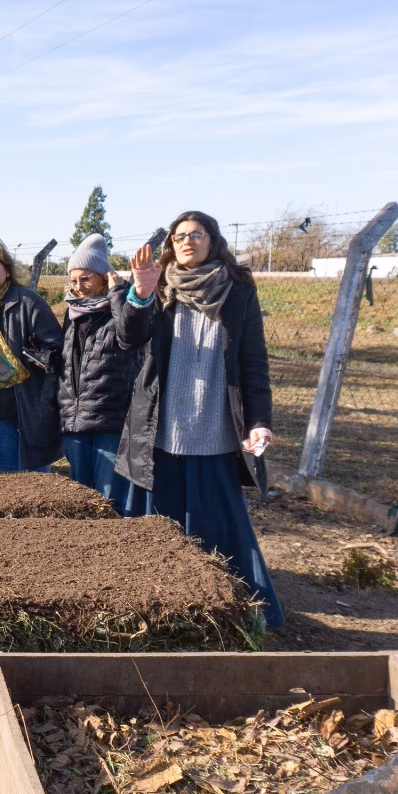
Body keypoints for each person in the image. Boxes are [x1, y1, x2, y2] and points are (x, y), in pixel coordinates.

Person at [115, 210, 285, 626]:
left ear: (213, 241)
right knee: (158, 531)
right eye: (179, 236)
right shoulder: (159, 286)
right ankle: (158, 614)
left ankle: (238, 614)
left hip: (214, 432)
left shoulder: (238, 291)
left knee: (220, 532)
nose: (187, 241)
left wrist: (259, 420)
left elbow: (253, 361)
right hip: (161, 430)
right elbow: (128, 339)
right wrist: (141, 293)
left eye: (197, 234)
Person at [0, 237, 64, 473]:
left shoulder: (29, 302)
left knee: (36, 477)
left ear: (6, 269)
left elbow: (57, 351)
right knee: (7, 476)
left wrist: (43, 361)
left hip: (33, 406)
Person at [58, 233, 143, 514]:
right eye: (73, 280)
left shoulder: (122, 307)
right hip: (75, 419)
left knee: (110, 500)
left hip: (110, 419)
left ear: (104, 277)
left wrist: (118, 293)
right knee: (81, 500)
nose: (79, 287)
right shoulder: (72, 314)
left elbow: (130, 335)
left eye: (86, 279)